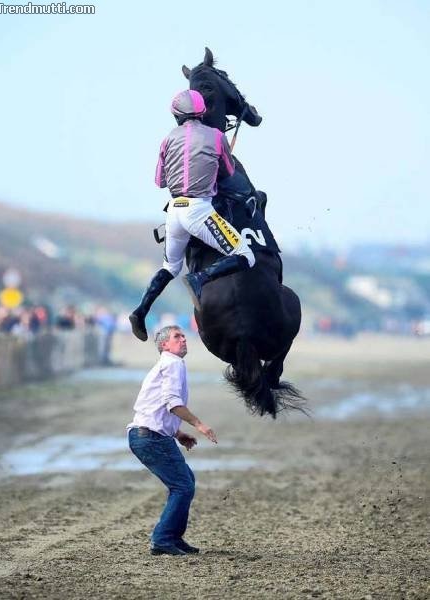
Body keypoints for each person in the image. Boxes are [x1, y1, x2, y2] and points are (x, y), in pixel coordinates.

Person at [129, 89, 255, 341]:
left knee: (170, 267)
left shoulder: (167, 139)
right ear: (202, 112)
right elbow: (228, 173)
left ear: (176, 115)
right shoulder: (217, 136)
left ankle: (140, 311)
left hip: (174, 212)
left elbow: (160, 181)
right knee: (246, 255)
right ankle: (200, 278)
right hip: (199, 211)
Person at [127, 325, 217, 556]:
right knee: (183, 486)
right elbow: (172, 402)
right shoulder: (172, 363)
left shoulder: (168, 364)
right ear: (165, 345)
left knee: (185, 482)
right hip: (149, 437)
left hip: (148, 435)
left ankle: (173, 538)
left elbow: (156, 407)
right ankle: (163, 539)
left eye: (184, 336)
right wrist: (198, 424)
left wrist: (178, 433)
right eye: (177, 337)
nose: (184, 339)